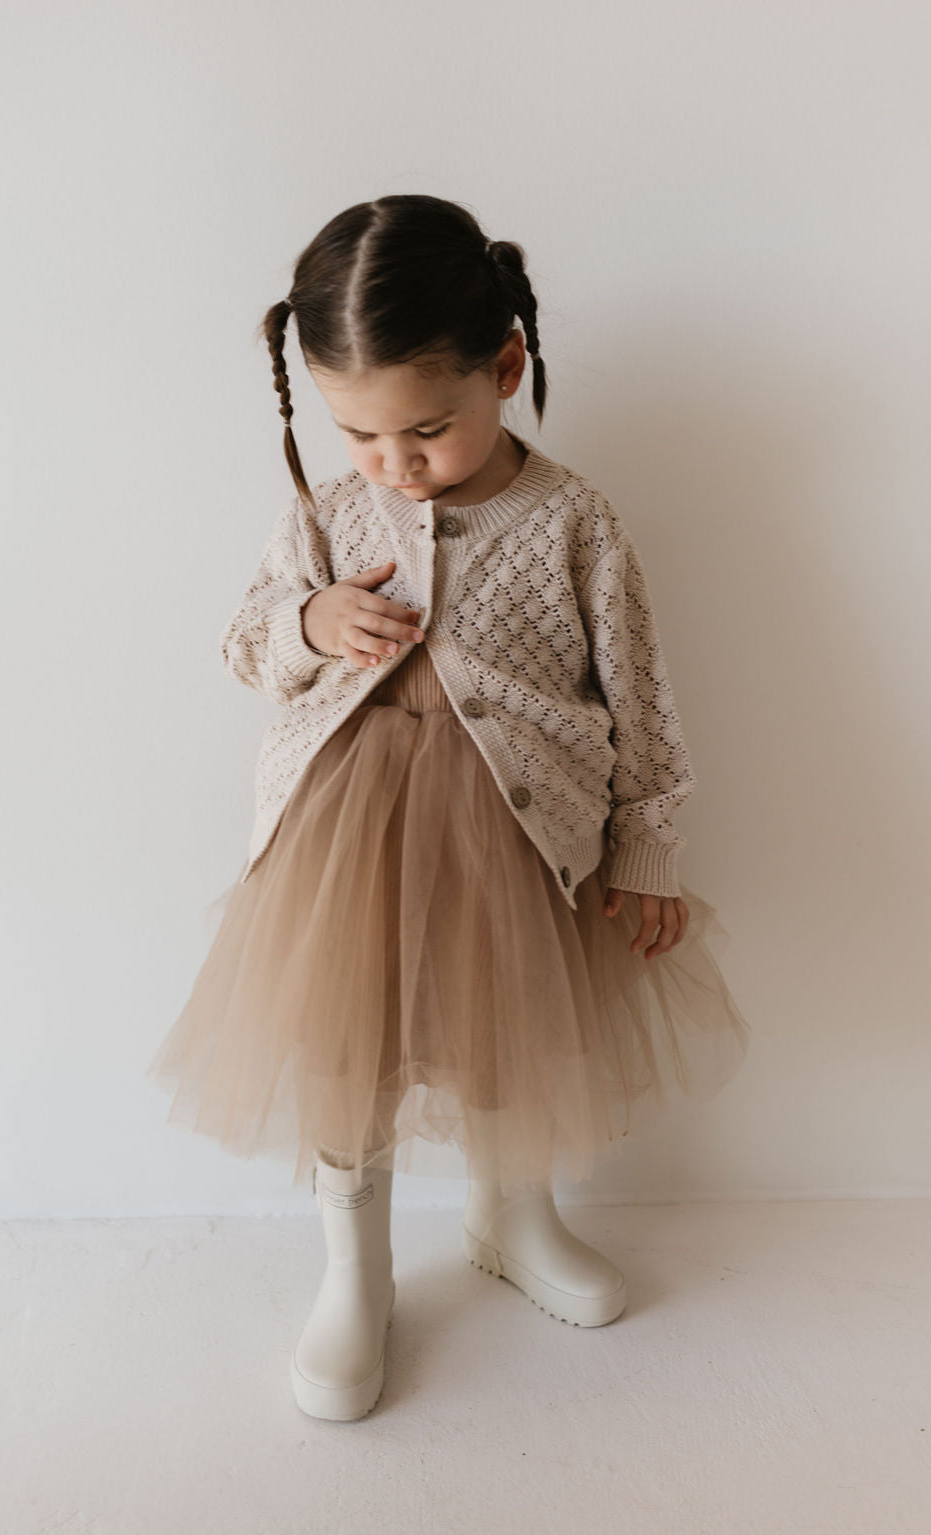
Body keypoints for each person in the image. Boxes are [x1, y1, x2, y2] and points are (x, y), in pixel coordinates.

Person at [145, 194, 751, 1422]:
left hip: (518, 832)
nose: (394, 464)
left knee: (510, 1040)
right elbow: (244, 642)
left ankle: (511, 1215)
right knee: (349, 1053)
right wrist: (310, 624)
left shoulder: (573, 518)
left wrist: (647, 841)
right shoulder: (331, 511)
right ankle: (353, 1274)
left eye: (426, 429)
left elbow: (639, 692)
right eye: (360, 433)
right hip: (346, 833)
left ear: (507, 368)